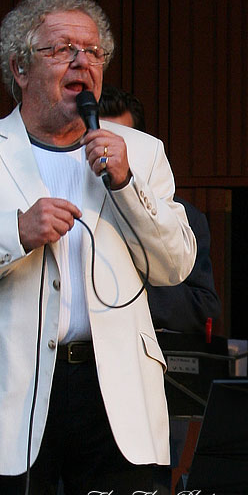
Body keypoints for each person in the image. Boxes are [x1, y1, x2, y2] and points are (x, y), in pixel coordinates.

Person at [0, 0, 196, 495]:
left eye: (93, 51)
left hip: (116, 396)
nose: (82, 61)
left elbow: (175, 265)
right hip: (10, 393)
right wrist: (14, 232)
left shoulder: (142, 152)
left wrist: (127, 183)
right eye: (63, 49)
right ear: (19, 66)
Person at [99, 84, 221, 333]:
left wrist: (127, 289)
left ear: (139, 143)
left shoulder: (187, 218)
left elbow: (204, 307)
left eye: (116, 140)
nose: (106, 151)